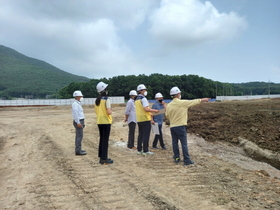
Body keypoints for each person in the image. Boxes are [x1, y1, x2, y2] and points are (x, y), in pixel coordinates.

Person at [165, 86, 210, 166]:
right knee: (184, 143)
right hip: (181, 126)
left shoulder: (169, 105)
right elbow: (193, 102)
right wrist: (203, 99)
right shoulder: (182, 103)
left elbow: (167, 115)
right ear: (178, 94)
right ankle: (186, 159)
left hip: (173, 127)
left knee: (174, 143)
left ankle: (176, 157)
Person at [135, 84, 159, 155]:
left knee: (140, 135)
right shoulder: (143, 98)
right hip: (145, 119)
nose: (146, 91)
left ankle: (139, 150)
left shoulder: (136, 99)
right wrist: (154, 111)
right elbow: (146, 109)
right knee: (146, 135)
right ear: (141, 91)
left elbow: (141, 109)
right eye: (145, 89)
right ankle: (146, 150)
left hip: (139, 119)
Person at [95, 81, 113, 165]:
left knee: (102, 139)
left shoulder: (97, 100)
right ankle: (104, 159)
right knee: (105, 140)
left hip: (99, 121)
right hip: (106, 121)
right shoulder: (107, 99)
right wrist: (111, 110)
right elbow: (109, 112)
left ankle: (101, 156)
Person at [72, 90, 86, 156]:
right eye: (80, 96)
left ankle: (79, 149)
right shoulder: (75, 104)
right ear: (77, 97)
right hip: (79, 121)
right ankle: (78, 151)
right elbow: (75, 114)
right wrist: (78, 122)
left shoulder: (78, 104)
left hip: (80, 120)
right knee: (79, 136)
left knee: (79, 135)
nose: (81, 97)